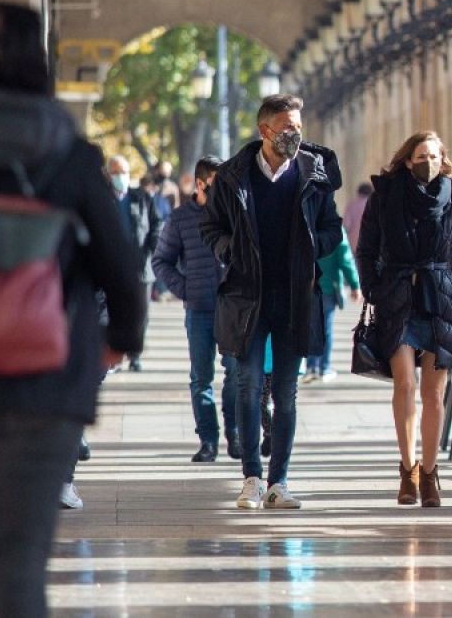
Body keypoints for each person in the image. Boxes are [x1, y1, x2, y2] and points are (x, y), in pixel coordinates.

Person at [0, 3, 147, 617]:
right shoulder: (70, 155)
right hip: (44, 382)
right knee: (18, 566)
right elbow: (121, 269)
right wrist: (115, 341)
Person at [202, 93, 343, 511]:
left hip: (295, 296)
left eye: (298, 126)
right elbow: (210, 228)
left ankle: (280, 480)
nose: (294, 134)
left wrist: (309, 246)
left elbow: (332, 230)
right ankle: (251, 478)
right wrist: (231, 250)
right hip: (247, 297)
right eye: (287, 127)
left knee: (286, 391)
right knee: (247, 388)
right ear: (265, 130)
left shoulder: (315, 175)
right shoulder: (232, 177)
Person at [355, 132, 452, 508]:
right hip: (398, 299)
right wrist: (375, 288)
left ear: (442, 160)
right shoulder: (385, 197)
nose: (427, 160)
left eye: (434, 155)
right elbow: (365, 250)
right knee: (405, 384)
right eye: (420, 155)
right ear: (407, 160)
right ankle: (408, 469)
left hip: (440, 300)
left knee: (433, 392)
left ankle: (430, 473)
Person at [153, 155, 238, 462]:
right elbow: (160, 261)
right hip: (199, 309)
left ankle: (235, 434)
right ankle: (208, 441)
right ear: (200, 184)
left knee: (236, 373)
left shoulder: (235, 213)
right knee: (201, 378)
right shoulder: (180, 219)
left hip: (232, 307)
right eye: (217, 185)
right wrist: (184, 287)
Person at [106, 154, 162, 369]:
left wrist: (155, 247)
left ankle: (135, 354)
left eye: (124, 172)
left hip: (140, 266)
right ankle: (116, 353)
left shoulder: (142, 198)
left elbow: (157, 224)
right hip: (111, 266)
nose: (121, 177)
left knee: (140, 313)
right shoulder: (102, 198)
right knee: (113, 311)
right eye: (116, 173)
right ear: (109, 175)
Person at [305, 227, 359, 382]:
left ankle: (311, 366)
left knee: (310, 327)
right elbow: (345, 259)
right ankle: (324, 367)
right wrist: (355, 284)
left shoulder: (305, 224)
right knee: (326, 328)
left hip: (306, 286)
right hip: (328, 286)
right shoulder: (335, 229)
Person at [343, 181, 373, 253]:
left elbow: (346, 225)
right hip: (372, 244)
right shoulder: (375, 205)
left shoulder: (352, 205)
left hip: (354, 244)